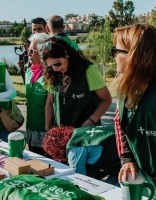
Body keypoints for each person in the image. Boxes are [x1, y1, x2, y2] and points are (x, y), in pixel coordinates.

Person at [40, 37, 119, 179]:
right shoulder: (53, 73)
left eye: (57, 63)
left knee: (86, 178)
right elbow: (49, 103)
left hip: (86, 137)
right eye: (51, 65)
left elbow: (106, 99)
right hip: (62, 139)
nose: (56, 68)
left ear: (66, 53)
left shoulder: (88, 70)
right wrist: (48, 128)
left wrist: (89, 123)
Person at [112, 24, 156, 198]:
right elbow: (119, 123)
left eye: (116, 51)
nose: (114, 57)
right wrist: (127, 159)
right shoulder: (126, 88)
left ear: (134, 56)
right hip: (143, 176)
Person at [24, 32, 50, 155]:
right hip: (31, 129)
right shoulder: (29, 72)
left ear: (42, 52)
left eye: (32, 51)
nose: (28, 54)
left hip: (46, 131)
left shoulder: (50, 75)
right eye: (29, 50)